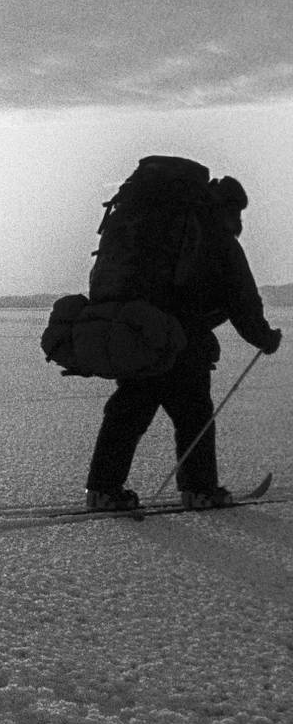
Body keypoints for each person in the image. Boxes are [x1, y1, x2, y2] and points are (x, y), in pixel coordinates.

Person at [85, 174, 281, 511]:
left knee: (128, 411)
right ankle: (199, 490)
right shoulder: (217, 238)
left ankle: (102, 490)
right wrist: (264, 337)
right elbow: (242, 298)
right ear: (229, 209)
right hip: (184, 342)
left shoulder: (158, 225)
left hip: (140, 333)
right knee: (194, 415)